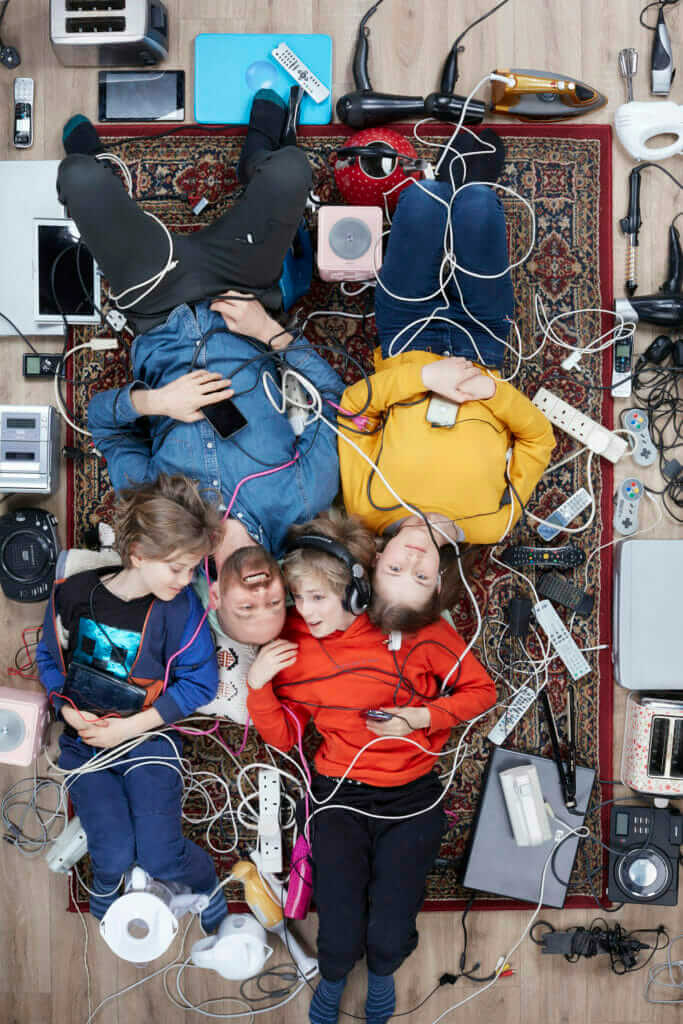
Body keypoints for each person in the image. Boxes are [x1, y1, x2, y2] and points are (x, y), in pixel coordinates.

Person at [56, 93, 344, 579]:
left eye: (245, 608)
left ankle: (102, 174)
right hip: (243, 291)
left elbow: (100, 421)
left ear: (216, 600)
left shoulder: (162, 516)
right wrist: (269, 333)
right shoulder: (300, 499)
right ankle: (254, 165)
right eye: (271, 603)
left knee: (78, 177)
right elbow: (336, 404)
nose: (256, 592)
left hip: (156, 305)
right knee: (291, 168)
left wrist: (157, 403)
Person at [245, 512, 496, 1024]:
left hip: (412, 797)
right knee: (338, 927)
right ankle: (333, 976)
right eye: (297, 596)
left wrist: (422, 716)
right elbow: (283, 736)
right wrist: (257, 685)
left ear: (356, 591)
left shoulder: (413, 628)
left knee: (389, 926)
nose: (304, 611)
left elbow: (482, 692)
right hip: (338, 794)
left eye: (318, 598)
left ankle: (382, 974)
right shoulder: (287, 641)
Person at [337, 133, 556, 630]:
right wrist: (493, 394)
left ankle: (442, 175)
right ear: (439, 582)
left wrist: (422, 376)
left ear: (375, 560)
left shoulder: (364, 506)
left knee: (424, 199)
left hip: (405, 338)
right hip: (483, 346)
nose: (411, 561)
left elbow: (352, 411)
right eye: (418, 577)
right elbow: (538, 439)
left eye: (395, 569)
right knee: (479, 203)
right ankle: (469, 178)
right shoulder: (490, 523)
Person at [36, 475, 228, 930]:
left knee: (161, 856)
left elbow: (200, 683)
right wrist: (65, 710)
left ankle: (205, 882)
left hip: (147, 741)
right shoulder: (72, 594)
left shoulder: (182, 612)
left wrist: (128, 728)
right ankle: (106, 879)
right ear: (138, 554)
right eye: (177, 568)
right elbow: (48, 656)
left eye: (193, 569)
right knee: (114, 850)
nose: (187, 581)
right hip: (84, 746)